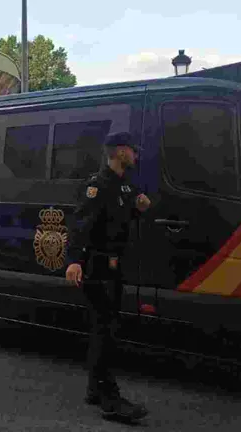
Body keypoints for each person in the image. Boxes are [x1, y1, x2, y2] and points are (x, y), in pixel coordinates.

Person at [65, 131, 152, 422]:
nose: (136, 155)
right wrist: (75, 261)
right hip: (96, 266)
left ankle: (94, 388)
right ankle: (109, 398)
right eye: (132, 150)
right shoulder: (97, 185)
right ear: (119, 152)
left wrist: (139, 210)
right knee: (105, 328)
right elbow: (81, 225)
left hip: (115, 267)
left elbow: (118, 223)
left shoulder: (124, 186)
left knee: (106, 326)